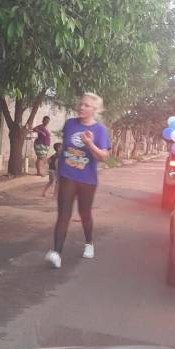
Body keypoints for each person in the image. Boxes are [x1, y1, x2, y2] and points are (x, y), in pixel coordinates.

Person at [45, 93, 111, 269]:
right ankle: (56, 253)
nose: (82, 107)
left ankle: (89, 243)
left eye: (87, 105)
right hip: (68, 176)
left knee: (84, 213)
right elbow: (64, 150)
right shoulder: (70, 124)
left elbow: (104, 156)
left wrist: (89, 144)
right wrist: (58, 175)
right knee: (63, 215)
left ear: (95, 109)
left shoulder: (99, 130)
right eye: (81, 104)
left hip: (87, 179)